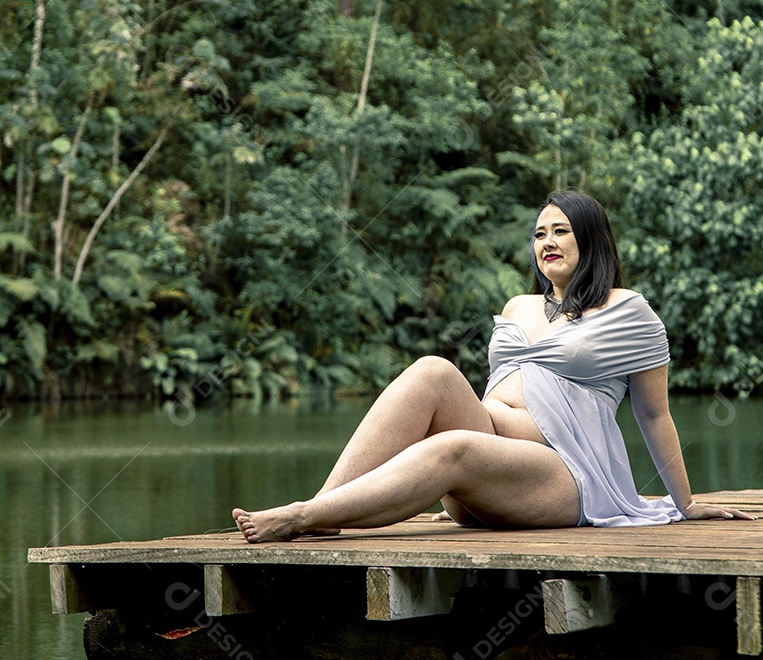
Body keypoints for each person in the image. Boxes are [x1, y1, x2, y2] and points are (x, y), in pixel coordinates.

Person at [233, 190, 755, 542]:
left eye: (561, 231)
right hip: (494, 466)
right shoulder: (519, 307)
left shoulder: (628, 310)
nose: (546, 242)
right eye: (539, 234)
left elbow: (655, 416)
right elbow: (499, 390)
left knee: (451, 448)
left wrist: (685, 504)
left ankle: (303, 515)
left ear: (590, 239)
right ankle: (325, 511)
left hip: (564, 475)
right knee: (432, 369)